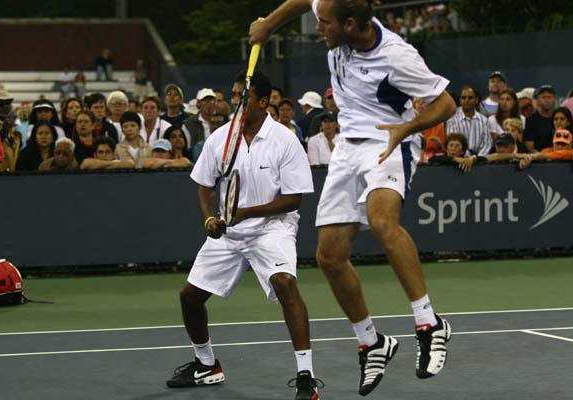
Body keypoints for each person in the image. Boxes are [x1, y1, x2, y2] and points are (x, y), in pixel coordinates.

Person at [250, 0, 455, 395]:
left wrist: (407, 127)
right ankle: (371, 342)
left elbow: (446, 104)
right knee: (329, 256)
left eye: (325, 24)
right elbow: (305, 1)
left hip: (389, 140)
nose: (318, 28)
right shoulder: (337, 20)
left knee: (382, 222)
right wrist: (270, 24)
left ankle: (429, 323)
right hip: (347, 148)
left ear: (349, 24)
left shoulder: (396, 56)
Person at [165, 70, 321, 400]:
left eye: (242, 97)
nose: (235, 101)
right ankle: (206, 365)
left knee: (285, 283)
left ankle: (306, 376)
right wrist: (209, 218)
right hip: (230, 232)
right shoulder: (220, 139)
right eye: (234, 95)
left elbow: (294, 199)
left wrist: (247, 212)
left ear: (263, 102)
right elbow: (205, 187)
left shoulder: (285, 140)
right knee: (189, 297)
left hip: (272, 228)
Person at [445, 85, 492, 155]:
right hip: (458, 158)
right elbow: (453, 143)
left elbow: (487, 144)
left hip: (479, 159)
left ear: (476, 100)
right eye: (463, 98)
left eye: (470, 98)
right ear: (460, 100)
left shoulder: (484, 121)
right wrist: (466, 158)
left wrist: (477, 158)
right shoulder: (452, 119)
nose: (466, 100)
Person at [0, 87, 21, 172]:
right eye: (1, 104)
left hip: (10, 174)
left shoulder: (11, 125)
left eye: (8, 103)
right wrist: (4, 132)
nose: (5, 106)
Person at [524, 84, 558, 152]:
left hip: (560, 156)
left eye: (549, 97)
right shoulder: (530, 120)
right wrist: (543, 156)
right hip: (539, 157)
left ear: (555, 98)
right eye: (543, 97)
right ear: (538, 100)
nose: (546, 100)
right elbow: (530, 147)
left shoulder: (560, 117)